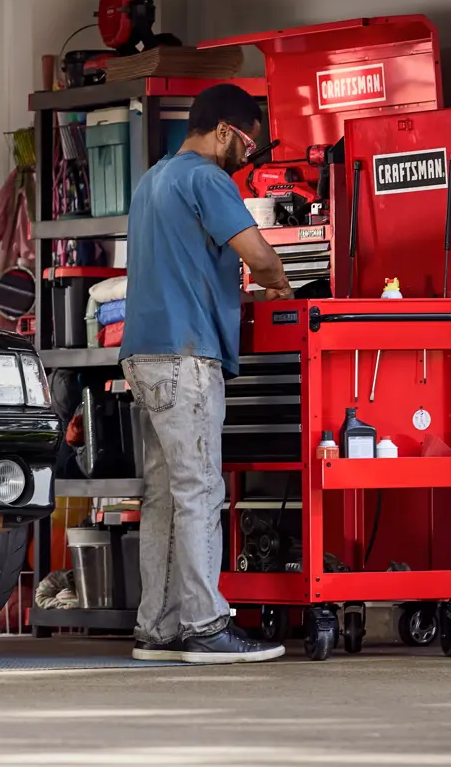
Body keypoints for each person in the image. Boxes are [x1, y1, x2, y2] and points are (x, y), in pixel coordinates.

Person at [120, 83, 293, 665]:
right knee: (200, 491)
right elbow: (260, 254)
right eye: (248, 144)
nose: (249, 157)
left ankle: (160, 627)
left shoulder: (152, 180)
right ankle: (206, 625)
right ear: (223, 131)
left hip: (143, 356)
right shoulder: (207, 178)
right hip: (186, 357)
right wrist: (281, 286)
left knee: (164, 496)